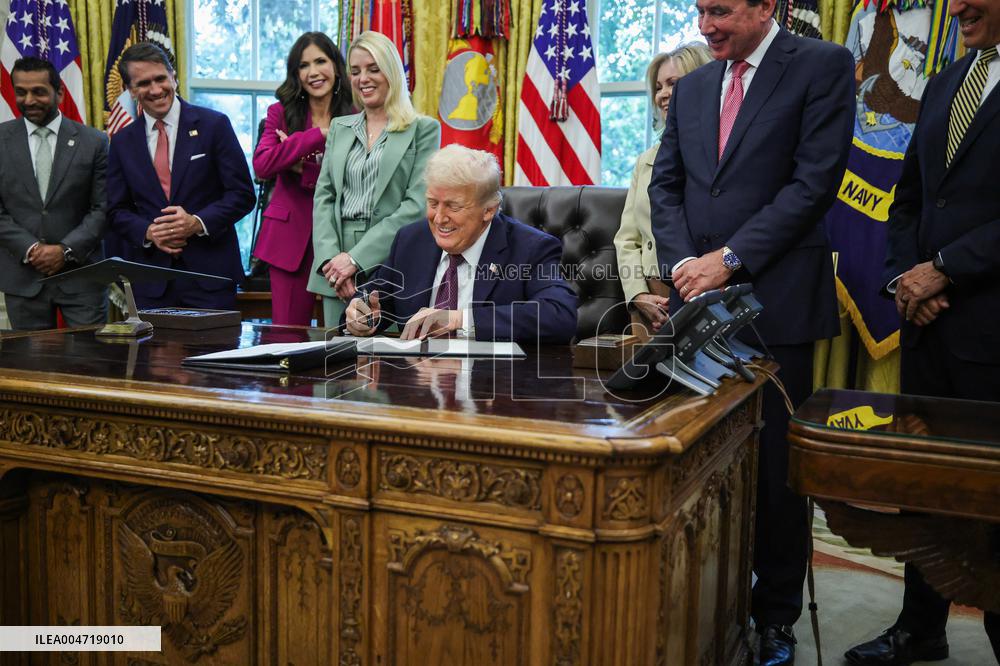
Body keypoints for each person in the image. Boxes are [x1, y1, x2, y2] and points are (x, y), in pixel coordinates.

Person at [648, 0, 855, 663]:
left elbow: (814, 184)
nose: (705, 25)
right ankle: (708, 597)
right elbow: (667, 187)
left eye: (721, 11)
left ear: (767, 6)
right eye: (699, 10)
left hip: (777, 305)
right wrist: (684, 264)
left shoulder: (822, 65)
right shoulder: (696, 86)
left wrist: (729, 259)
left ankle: (775, 616)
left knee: (773, 474)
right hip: (695, 302)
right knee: (697, 462)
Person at [846, 0, 1000, 663]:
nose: (956, 6)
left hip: (990, 330)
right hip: (926, 326)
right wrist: (904, 279)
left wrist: (945, 269)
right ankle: (920, 627)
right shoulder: (945, 81)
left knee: (989, 497)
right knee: (923, 483)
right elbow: (908, 198)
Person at [345, 144, 577, 344]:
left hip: (493, 379)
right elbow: (374, 299)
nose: (439, 218)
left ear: (489, 210)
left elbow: (559, 316)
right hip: (415, 376)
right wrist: (361, 315)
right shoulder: (411, 240)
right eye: (432, 203)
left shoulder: (530, 249)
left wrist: (459, 319)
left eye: (453, 207)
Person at [106, 42, 256, 310]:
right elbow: (116, 210)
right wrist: (149, 232)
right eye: (144, 83)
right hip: (151, 282)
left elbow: (242, 195)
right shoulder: (122, 142)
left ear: (173, 77)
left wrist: (197, 223)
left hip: (210, 277)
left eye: (160, 78)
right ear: (130, 90)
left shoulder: (214, 125)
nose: (155, 90)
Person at [308, 31, 441, 327]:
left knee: (386, 355)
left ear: (390, 71)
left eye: (373, 69)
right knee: (335, 354)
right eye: (355, 71)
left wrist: (355, 259)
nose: (363, 79)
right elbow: (324, 197)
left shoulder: (424, 129)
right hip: (336, 271)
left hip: (391, 260)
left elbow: (416, 205)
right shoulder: (339, 127)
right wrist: (333, 262)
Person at [0, 57, 108, 330]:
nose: (29, 100)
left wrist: (65, 250)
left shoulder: (94, 142)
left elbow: (103, 208)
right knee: (29, 358)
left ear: (59, 92)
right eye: (21, 92)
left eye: (38, 91)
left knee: (89, 355)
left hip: (82, 276)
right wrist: (31, 248)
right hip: (23, 278)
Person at [252, 32, 353, 326]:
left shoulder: (356, 115)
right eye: (303, 65)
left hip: (343, 239)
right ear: (296, 74)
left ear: (335, 66)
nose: (313, 72)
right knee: (287, 334)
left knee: (345, 334)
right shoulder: (280, 112)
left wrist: (299, 163)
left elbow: (356, 179)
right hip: (290, 239)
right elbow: (263, 166)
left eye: (320, 61)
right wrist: (317, 136)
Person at [614, 43, 711, 336]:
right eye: (658, 87)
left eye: (673, 83)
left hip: (703, 292)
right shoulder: (645, 161)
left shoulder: (720, 153)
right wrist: (638, 294)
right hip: (650, 301)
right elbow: (627, 240)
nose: (663, 94)